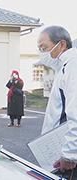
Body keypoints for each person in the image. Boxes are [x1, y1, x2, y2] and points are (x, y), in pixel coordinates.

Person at [38, 25, 77, 178]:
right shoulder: (63, 67)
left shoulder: (72, 67)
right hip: (59, 151)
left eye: (44, 47)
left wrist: (70, 155)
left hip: (68, 159)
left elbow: (75, 112)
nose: (42, 53)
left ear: (61, 44)